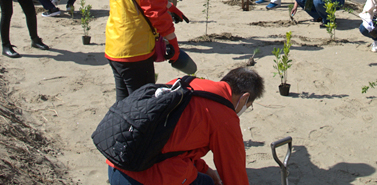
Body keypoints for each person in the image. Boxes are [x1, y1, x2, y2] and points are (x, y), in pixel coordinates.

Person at [106, 67, 264, 185]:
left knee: (205, 178)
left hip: (118, 163)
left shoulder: (185, 83)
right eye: (248, 106)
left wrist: (204, 169)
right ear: (244, 98)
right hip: (145, 177)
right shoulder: (225, 117)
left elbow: (174, 141)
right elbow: (234, 173)